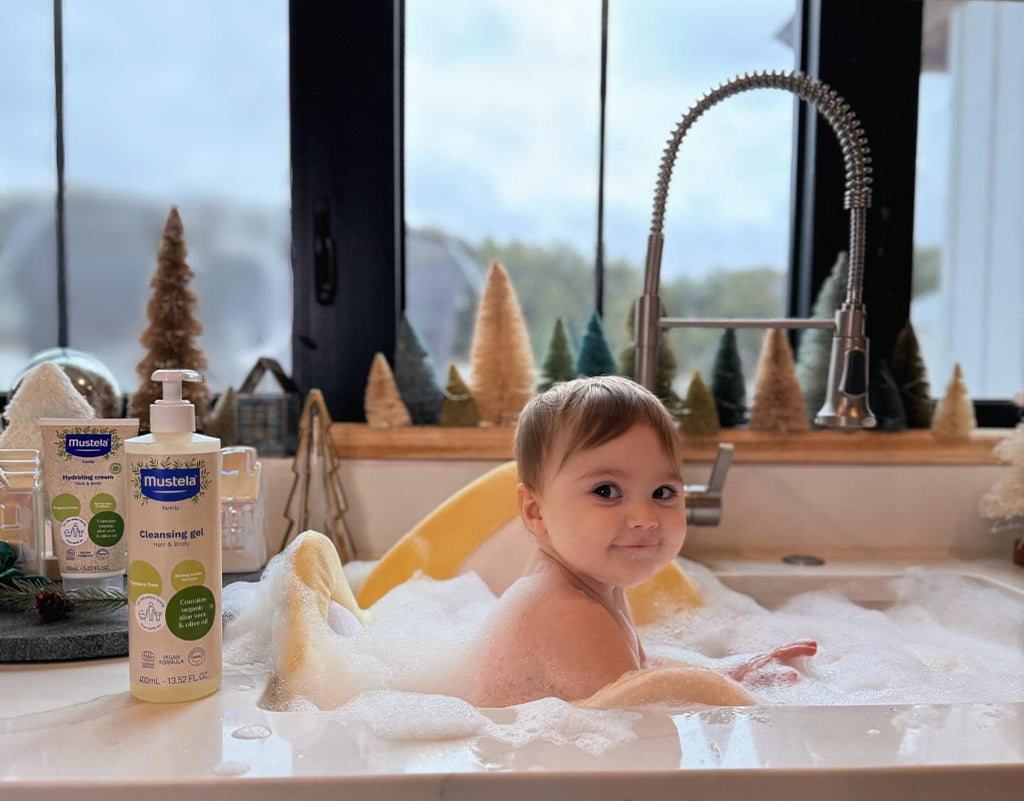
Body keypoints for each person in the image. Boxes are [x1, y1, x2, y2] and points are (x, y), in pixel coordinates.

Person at [462, 375, 815, 708]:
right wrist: (745, 698)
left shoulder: (596, 589)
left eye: (662, 492)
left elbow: (643, 672)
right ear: (536, 512)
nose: (645, 518)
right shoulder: (569, 612)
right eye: (606, 491)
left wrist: (742, 669)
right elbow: (637, 729)